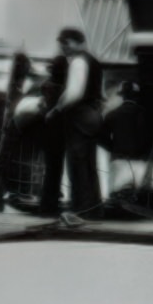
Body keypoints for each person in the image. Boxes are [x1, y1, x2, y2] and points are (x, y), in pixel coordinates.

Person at [46, 28, 104, 219]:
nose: (63, 47)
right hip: (93, 116)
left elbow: (74, 93)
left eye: (66, 43)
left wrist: (56, 109)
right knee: (89, 164)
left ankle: (81, 209)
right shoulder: (93, 61)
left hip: (80, 117)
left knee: (77, 164)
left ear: (77, 42)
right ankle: (93, 209)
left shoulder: (79, 61)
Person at [36, 55, 69, 217]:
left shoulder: (46, 86)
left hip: (46, 131)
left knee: (50, 170)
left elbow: (41, 105)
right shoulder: (63, 89)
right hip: (59, 132)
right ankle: (50, 205)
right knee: (56, 170)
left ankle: (46, 204)